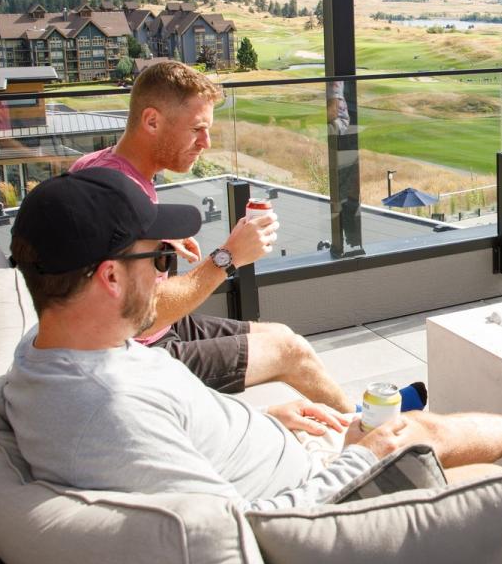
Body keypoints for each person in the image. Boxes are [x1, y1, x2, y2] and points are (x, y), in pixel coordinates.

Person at [4, 167, 502, 515]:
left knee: (409, 431)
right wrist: (358, 461)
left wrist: (267, 424)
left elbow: (181, 438)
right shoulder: (110, 413)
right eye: (158, 257)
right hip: (315, 509)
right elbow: (244, 531)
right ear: (108, 277)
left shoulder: (48, 347)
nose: (166, 272)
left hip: (289, 460)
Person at [71, 61, 357, 411]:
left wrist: (157, 239)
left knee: (283, 334)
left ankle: (360, 416)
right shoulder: (121, 197)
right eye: (197, 129)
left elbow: (101, 248)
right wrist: (229, 256)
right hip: (138, 353)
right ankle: (378, 435)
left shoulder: (95, 166)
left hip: (150, 333)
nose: (206, 142)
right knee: (291, 352)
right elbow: (142, 315)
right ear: (151, 121)